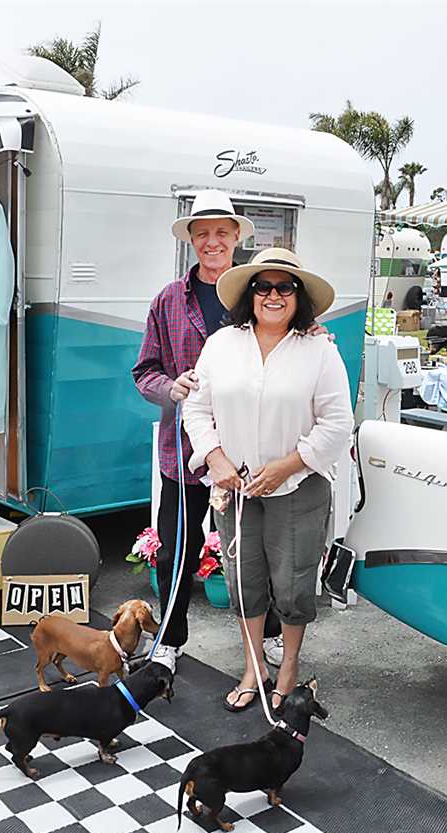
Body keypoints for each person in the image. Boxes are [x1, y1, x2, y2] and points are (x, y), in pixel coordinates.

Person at [183, 247, 354, 713]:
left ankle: (291, 666)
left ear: (299, 297)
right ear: (250, 294)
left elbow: (338, 422)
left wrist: (288, 464)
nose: (273, 295)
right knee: (244, 579)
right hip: (235, 488)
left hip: (297, 488)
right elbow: (197, 409)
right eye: (264, 286)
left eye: (285, 287)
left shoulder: (319, 350)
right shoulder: (221, 344)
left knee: (294, 583)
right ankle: (254, 665)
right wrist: (215, 460)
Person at [132, 189, 284, 672]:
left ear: (238, 236)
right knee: (177, 550)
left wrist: (316, 334)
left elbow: (295, 344)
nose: (212, 241)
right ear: (192, 240)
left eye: (222, 232)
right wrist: (169, 386)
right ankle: (171, 641)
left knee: (259, 547)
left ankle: (273, 633)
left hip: (251, 451)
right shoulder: (168, 300)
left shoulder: (259, 295)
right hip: (184, 451)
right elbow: (144, 372)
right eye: (203, 233)